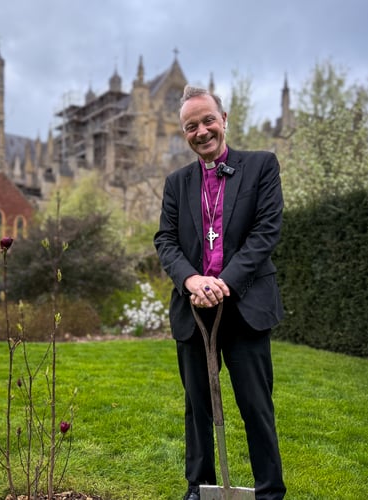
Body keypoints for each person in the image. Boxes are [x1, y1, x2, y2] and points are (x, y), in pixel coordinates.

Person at [154, 85, 286, 500]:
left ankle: (268, 493)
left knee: (255, 406)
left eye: (208, 120)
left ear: (224, 119)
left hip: (245, 304)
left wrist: (223, 282)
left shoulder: (262, 166)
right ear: (184, 134)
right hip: (194, 308)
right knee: (197, 408)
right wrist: (192, 281)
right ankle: (199, 487)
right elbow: (166, 241)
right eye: (191, 126)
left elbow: (266, 233)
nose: (202, 131)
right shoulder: (176, 183)